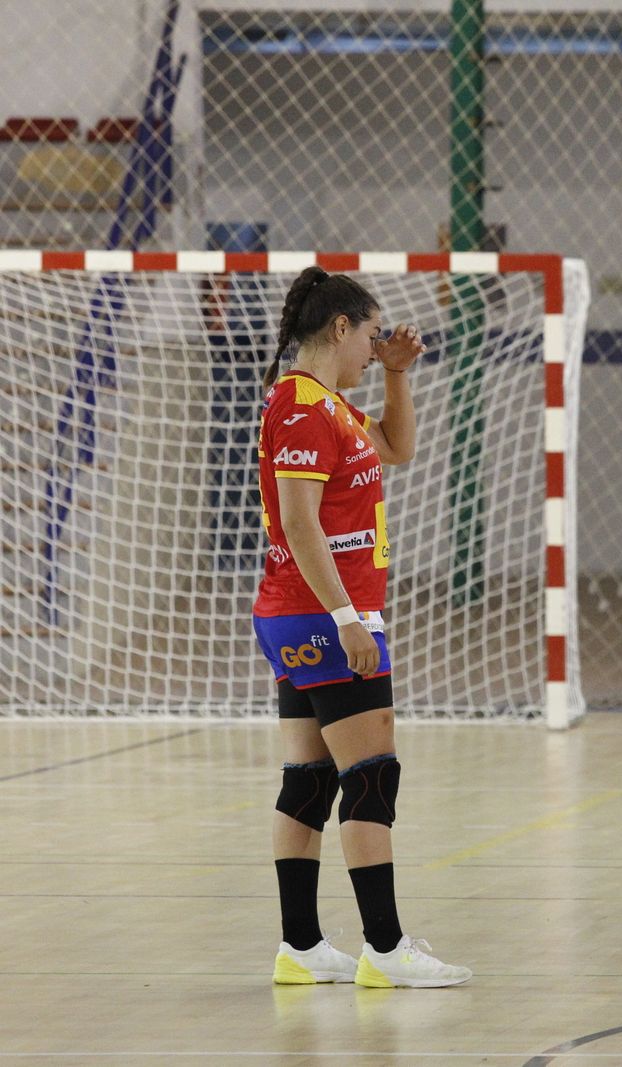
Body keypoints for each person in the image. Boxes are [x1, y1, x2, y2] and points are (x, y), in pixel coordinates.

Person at [255, 265, 470, 988]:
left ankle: (301, 945)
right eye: (373, 335)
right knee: (370, 777)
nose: (377, 346)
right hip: (322, 615)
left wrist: (399, 375)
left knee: (309, 780)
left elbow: (398, 449)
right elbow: (297, 519)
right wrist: (347, 615)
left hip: (302, 615)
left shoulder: (330, 405)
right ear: (340, 328)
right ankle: (385, 947)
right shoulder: (301, 409)